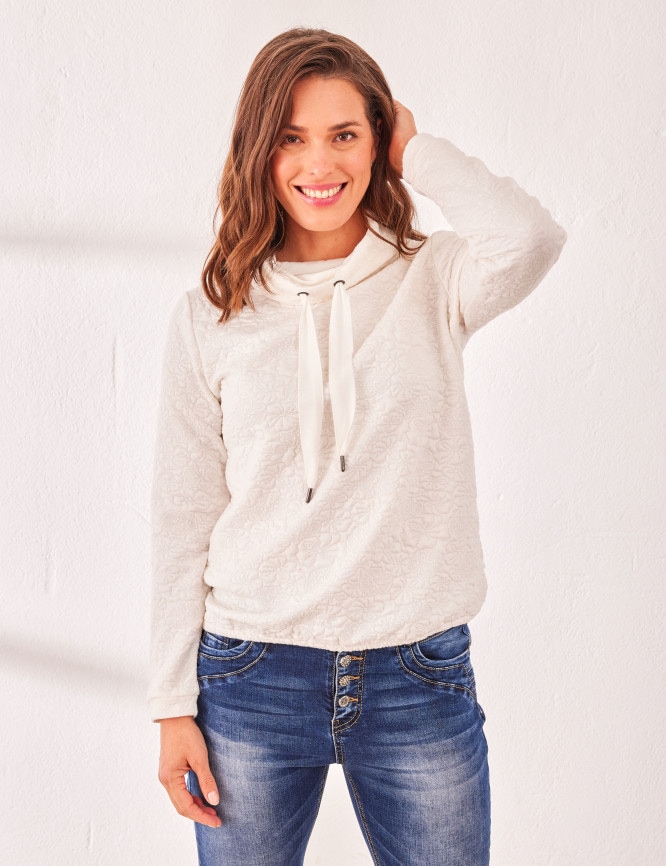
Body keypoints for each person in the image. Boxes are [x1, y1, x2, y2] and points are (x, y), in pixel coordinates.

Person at [148, 27, 566, 866]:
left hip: (418, 672)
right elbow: (182, 515)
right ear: (259, 150)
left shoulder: (434, 277)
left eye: (345, 134)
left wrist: (417, 149)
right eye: (291, 138)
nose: (319, 163)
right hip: (250, 676)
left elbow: (531, 238)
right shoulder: (212, 313)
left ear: (377, 142)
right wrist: (170, 705)